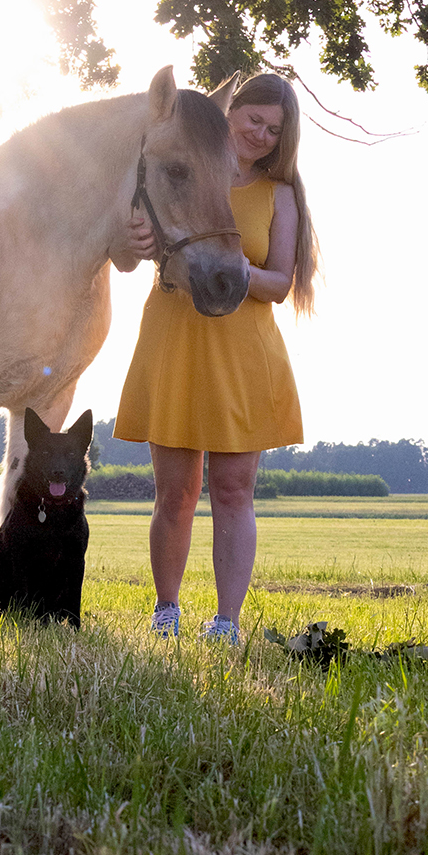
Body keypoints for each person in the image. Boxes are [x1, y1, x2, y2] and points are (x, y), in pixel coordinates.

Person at [112, 72, 319, 643]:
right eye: (254, 119)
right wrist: (135, 243)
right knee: (174, 493)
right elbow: (126, 255)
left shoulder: (279, 195)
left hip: (242, 352)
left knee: (233, 491)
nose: (261, 135)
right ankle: (166, 612)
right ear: (230, 111)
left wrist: (236, 269)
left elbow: (279, 284)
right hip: (175, 339)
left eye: (274, 130)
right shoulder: (180, 169)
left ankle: (226, 622)